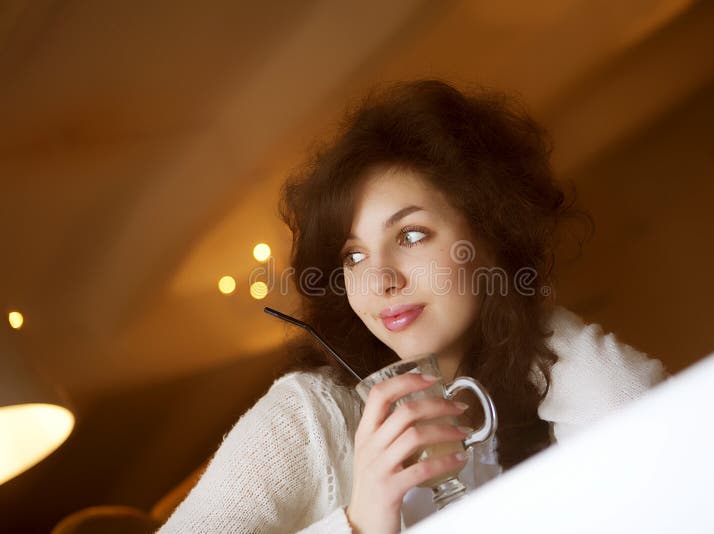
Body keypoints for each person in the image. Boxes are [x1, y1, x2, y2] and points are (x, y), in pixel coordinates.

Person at [158, 79, 668, 533]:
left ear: (491, 233)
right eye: (353, 255)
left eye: (412, 234)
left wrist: (522, 318)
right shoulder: (308, 419)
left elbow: (648, 434)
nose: (379, 280)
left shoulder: (545, 387)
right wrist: (360, 523)